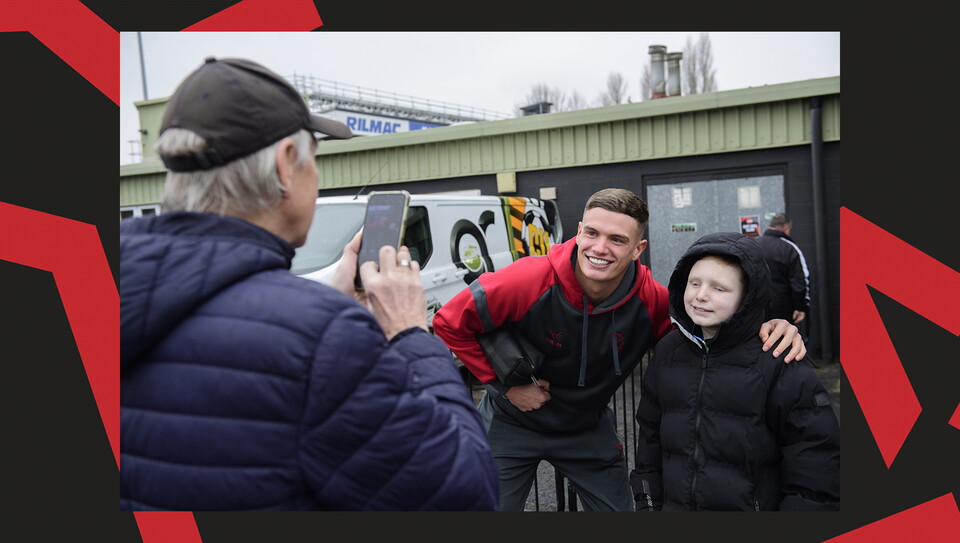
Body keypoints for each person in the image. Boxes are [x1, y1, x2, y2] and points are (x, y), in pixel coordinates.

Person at [119, 57, 498, 511]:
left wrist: (321, 308)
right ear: (285, 166)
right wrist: (411, 333)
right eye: (314, 160)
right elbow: (463, 493)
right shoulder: (324, 338)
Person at [432, 188, 806, 512]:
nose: (600, 248)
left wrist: (771, 327)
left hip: (585, 427)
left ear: (638, 249)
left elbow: (708, 336)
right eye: (591, 233)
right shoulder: (527, 279)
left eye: (617, 239)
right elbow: (449, 323)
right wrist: (508, 387)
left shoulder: (652, 301)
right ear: (578, 232)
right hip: (509, 422)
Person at [630, 231, 839, 511]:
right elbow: (650, 439)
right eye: (695, 283)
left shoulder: (778, 357)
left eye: (719, 288)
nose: (701, 296)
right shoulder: (667, 351)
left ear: (747, 298)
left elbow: (815, 462)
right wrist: (647, 502)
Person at [757, 212, 811, 325]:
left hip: (756, 309)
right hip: (783, 310)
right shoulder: (789, 248)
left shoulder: (753, 245)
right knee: (782, 340)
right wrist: (800, 307)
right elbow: (800, 281)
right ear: (786, 228)